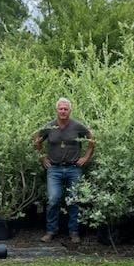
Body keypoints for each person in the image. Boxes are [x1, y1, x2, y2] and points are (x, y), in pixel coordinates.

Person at [34, 97, 94, 243]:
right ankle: (50, 231)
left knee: (74, 200)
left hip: (74, 168)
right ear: (56, 110)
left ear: (70, 110)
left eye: (65, 109)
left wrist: (85, 157)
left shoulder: (77, 126)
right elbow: (36, 140)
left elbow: (92, 139)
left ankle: (74, 232)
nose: (63, 111)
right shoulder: (49, 127)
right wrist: (42, 158)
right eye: (60, 108)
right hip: (54, 169)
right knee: (53, 199)